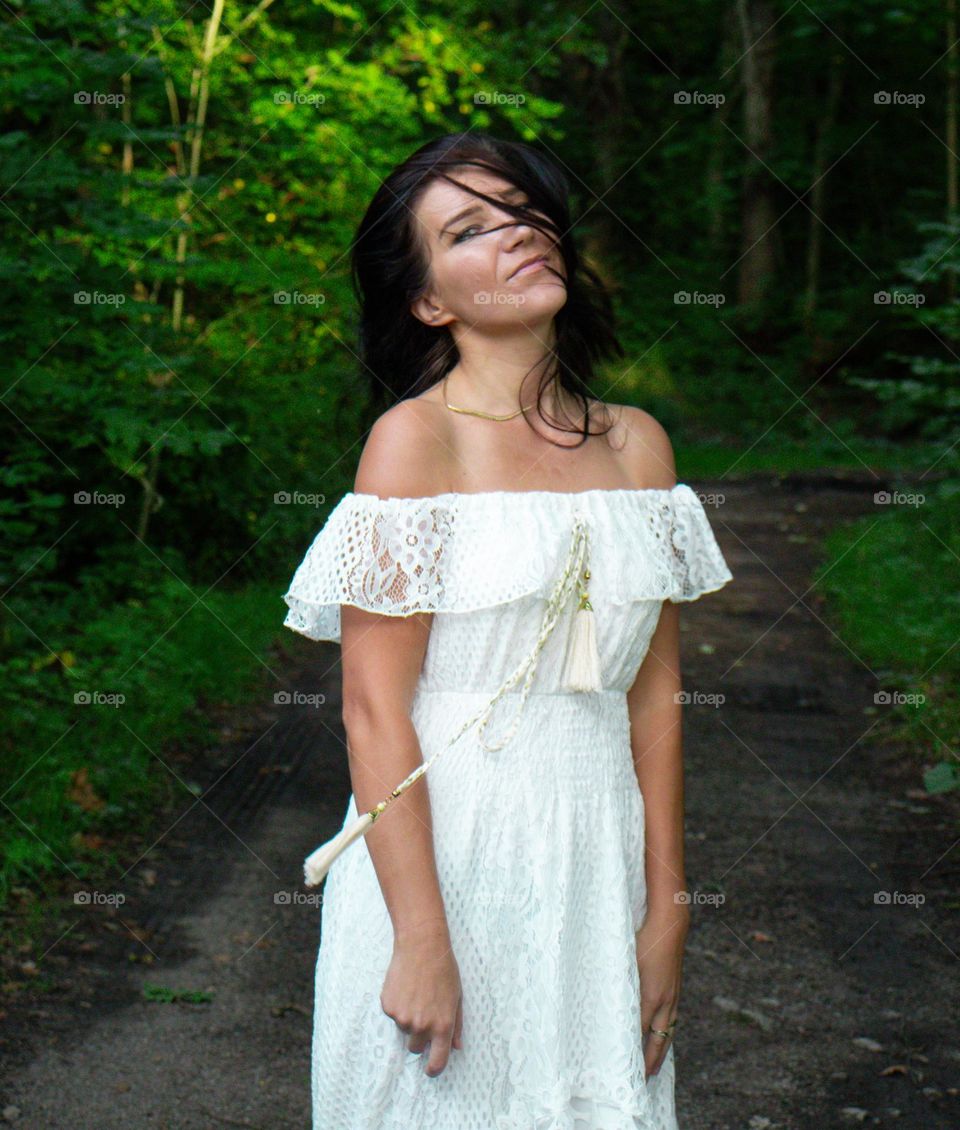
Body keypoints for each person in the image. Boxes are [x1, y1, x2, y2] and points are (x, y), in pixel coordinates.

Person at [282, 132, 734, 1130]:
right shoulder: (416, 440)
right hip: (444, 854)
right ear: (430, 300)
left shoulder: (637, 445)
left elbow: (655, 696)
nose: (517, 233)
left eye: (521, 210)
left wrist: (668, 907)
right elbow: (370, 705)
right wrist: (422, 938)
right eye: (469, 228)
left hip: (595, 855)